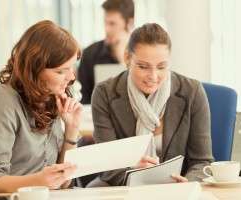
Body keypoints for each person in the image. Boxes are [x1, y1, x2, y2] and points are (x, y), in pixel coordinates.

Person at [0, 20, 83, 195]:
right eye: (61, 71)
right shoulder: (1, 104)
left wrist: (72, 128)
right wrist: (41, 181)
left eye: (72, 68)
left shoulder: (50, 98)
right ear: (35, 69)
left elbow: (63, 184)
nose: (70, 77)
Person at [87, 23, 214, 187]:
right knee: (94, 188)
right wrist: (134, 172)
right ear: (127, 58)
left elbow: (202, 161)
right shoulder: (105, 93)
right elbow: (106, 165)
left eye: (161, 67)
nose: (153, 77)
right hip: (124, 183)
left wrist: (185, 183)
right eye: (143, 66)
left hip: (177, 185)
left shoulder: (192, 92)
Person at [78, 0, 134, 104]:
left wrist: (121, 58)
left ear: (129, 23)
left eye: (112, 24)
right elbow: (84, 101)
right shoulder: (89, 54)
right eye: (105, 22)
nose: (107, 29)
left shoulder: (140, 54)